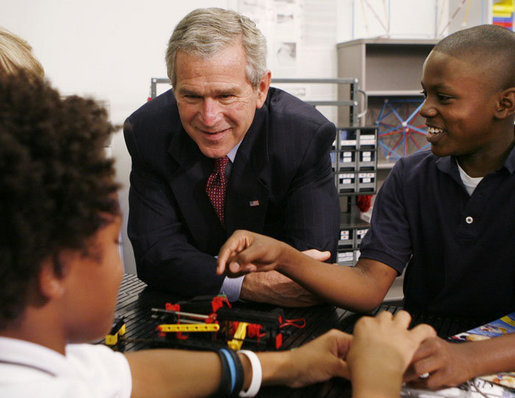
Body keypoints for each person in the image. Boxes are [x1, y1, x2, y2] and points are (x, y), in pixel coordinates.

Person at [0, 72, 438, 398]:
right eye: (112, 246)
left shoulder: (59, 368)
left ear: (260, 89)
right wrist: (377, 376)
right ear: (52, 271)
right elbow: (157, 255)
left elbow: (134, 375)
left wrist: (285, 364)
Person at [217, 24, 515, 389]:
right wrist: (283, 256)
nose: (425, 110)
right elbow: (369, 286)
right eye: (425, 94)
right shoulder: (410, 175)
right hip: (423, 341)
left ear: (505, 104)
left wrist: (468, 358)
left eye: (444, 97)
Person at [123, 8, 340, 306]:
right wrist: (246, 284)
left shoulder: (303, 136)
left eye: (225, 96)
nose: (209, 118)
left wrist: (196, 266)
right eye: (191, 96)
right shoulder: (148, 132)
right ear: (174, 89)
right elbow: (155, 254)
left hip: (286, 316)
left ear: (261, 88)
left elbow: (316, 258)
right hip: (188, 309)